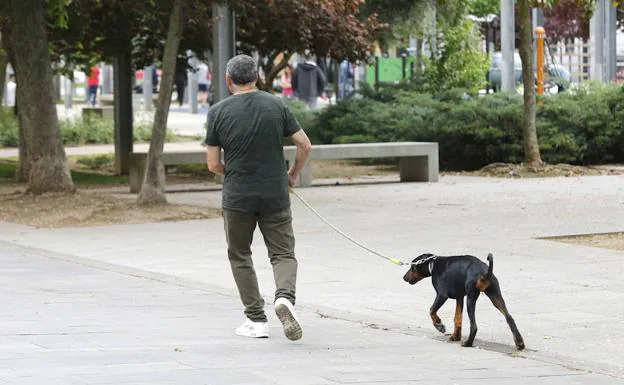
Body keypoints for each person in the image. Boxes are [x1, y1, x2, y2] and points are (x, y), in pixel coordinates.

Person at [204, 54, 312, 341]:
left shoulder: (217, 112)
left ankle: (256, 319)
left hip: (237, 196)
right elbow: (304, 144)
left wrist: (234, 173)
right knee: (283, 253)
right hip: (275, 193)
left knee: (240, 254)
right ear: (256, 78)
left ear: (229, 80)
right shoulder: (276, 105)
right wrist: (292, 174)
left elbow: (213, 164)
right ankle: (285, 297)